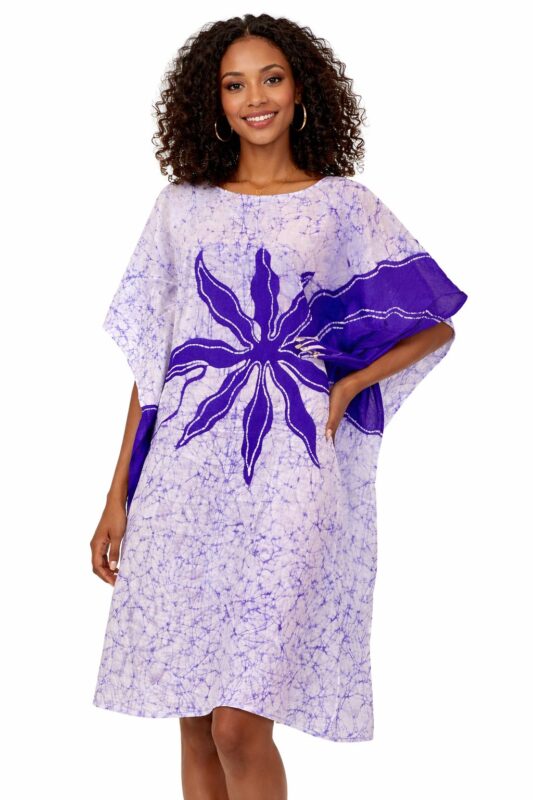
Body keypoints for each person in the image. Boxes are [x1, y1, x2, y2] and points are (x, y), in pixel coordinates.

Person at [90, 13, 468, 800]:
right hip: (182, 480)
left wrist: (348, 385)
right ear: (213, 102)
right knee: (195, 715)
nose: (253, 98)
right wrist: (117, 495)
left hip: (288, 476)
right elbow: (155, 362)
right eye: (234, 85)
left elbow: (432, 323)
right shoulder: (180, 207)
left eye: (270, 78)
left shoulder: (342, 205)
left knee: (239, 723)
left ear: (300, 90)